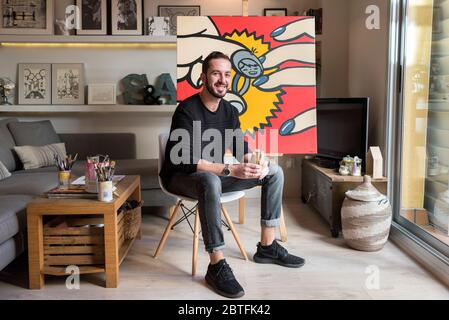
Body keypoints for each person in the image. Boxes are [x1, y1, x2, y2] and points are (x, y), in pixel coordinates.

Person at [160, 51, 305, 299]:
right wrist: (230, 169)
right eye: (216, 73)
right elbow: (184, 161)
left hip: (214, 178)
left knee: (275, 172)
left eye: (227, 74)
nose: (222, 79)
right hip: (182, 178)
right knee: (209, 179)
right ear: (203, 77)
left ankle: (267, 247)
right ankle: (216, 265)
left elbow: (240, 149)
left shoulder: (228, 111)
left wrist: (256, 162)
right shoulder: (187, 110)